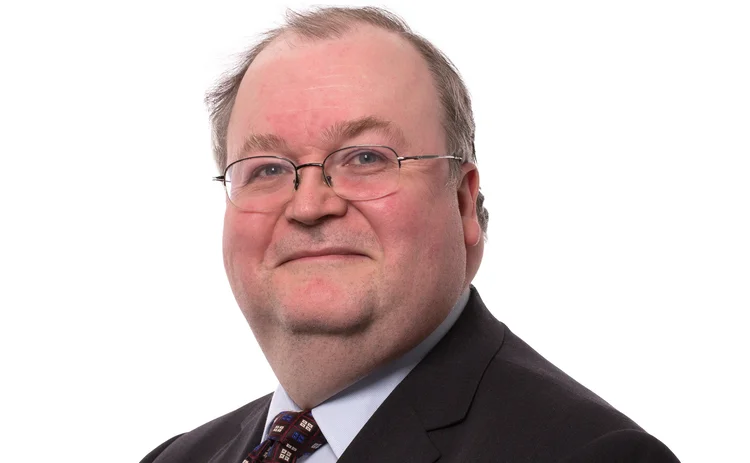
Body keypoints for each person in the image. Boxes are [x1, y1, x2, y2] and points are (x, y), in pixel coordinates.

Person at [141, 6, 679, 463]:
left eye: (366, 158)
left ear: (463, 203)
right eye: (268, 169)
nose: (309, 205)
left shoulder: (590, 453)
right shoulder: (177, 458)